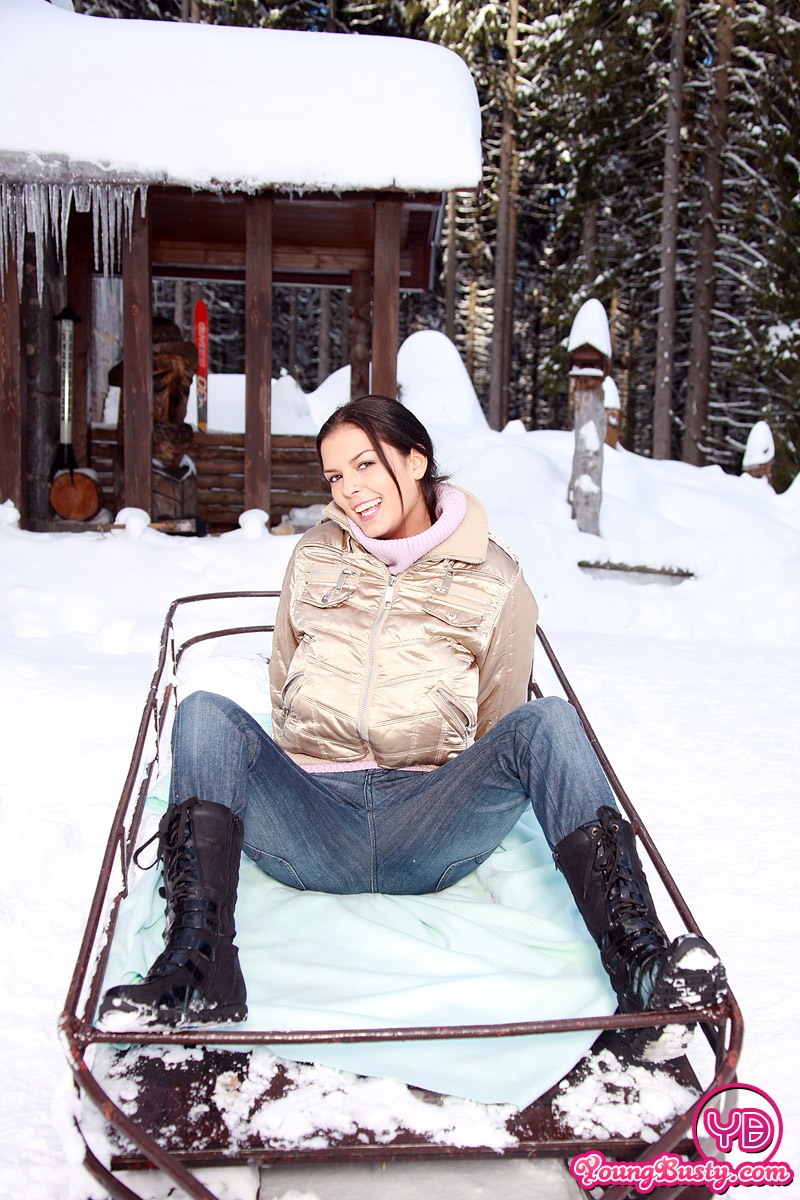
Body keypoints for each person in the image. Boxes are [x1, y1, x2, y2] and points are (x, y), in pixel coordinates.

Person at [100, 395, 726, 1057]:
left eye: (365, 464)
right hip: (310, 825)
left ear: (416, 459)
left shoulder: (495, 576)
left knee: (549, 721)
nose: (349, 489)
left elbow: (499, 718)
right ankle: (201, 970)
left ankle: (640, 964)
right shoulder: (314, 556)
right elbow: (284, 678)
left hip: (430, 824)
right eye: (335, 476)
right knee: (204, 712)